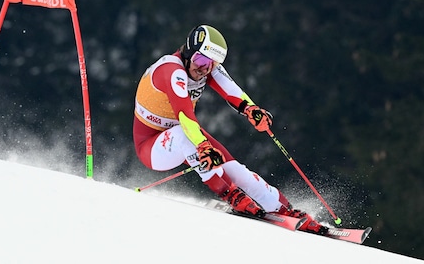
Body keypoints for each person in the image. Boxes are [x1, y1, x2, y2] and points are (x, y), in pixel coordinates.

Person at [133, 25, 325, 234]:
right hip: (152, 148)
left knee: (238, 171)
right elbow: (184, 115)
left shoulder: (205, 68)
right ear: (188, 53)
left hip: (189, 136)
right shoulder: (172, 71)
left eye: (212, 64)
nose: (205, 69)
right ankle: (229, 194)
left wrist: (251, 109)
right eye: (201, 61)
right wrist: (203, 146)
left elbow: (232, 91)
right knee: (183, 135)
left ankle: (284, 209)